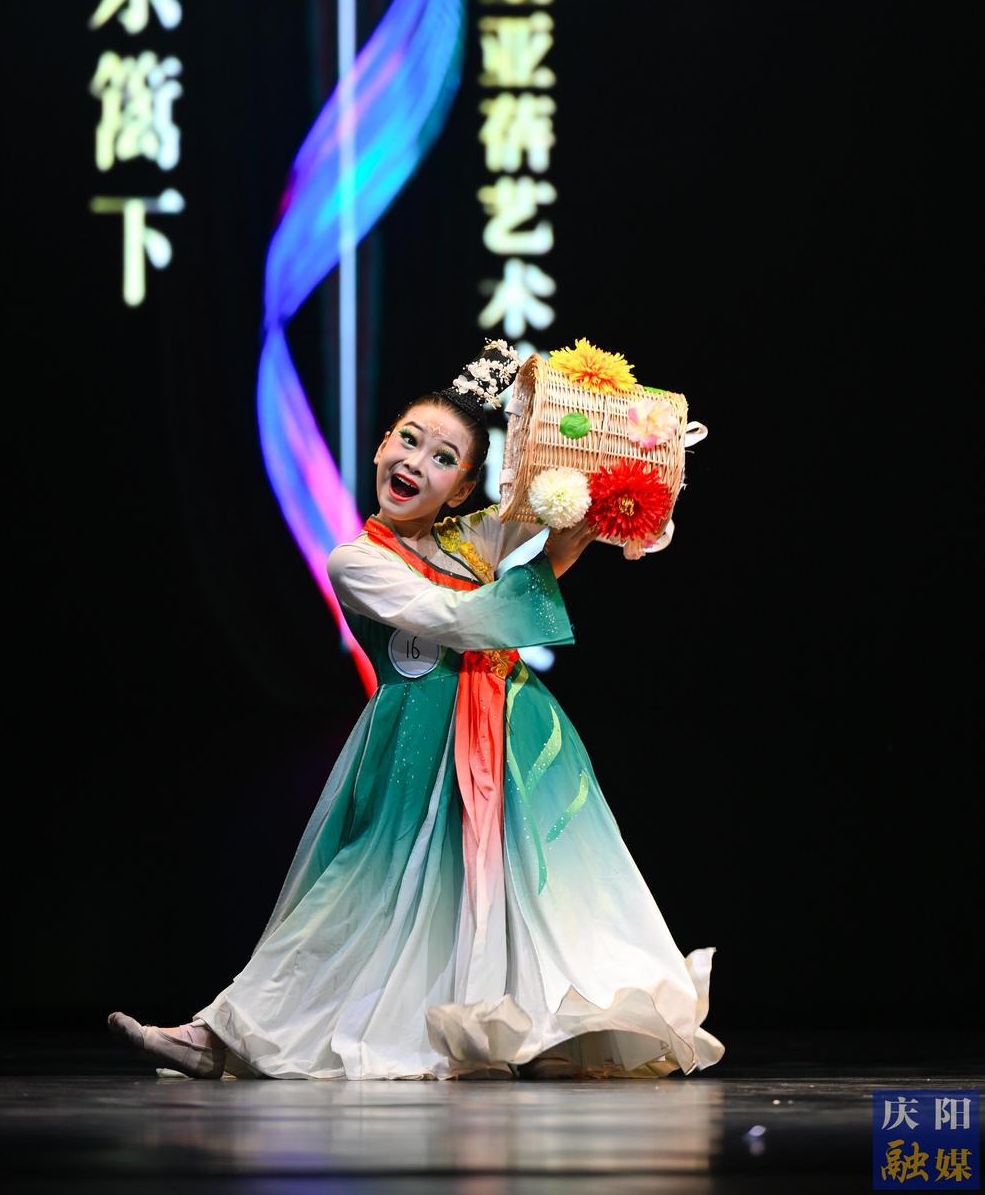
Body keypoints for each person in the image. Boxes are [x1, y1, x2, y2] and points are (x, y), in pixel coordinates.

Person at [109, 340, 723, 1081]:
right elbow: (453, 620)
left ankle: (546, 1034)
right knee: (356, 894)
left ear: (461, 490)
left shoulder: (477, 537)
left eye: (443, 458)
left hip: (513, 733)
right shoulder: (358, 561)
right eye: (409, 440)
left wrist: (607, 480)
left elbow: (552, 528)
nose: (416, 461)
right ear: (380, 446)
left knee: (546, 887)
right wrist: (549, 556)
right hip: (416, 743)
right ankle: (221, 1034)